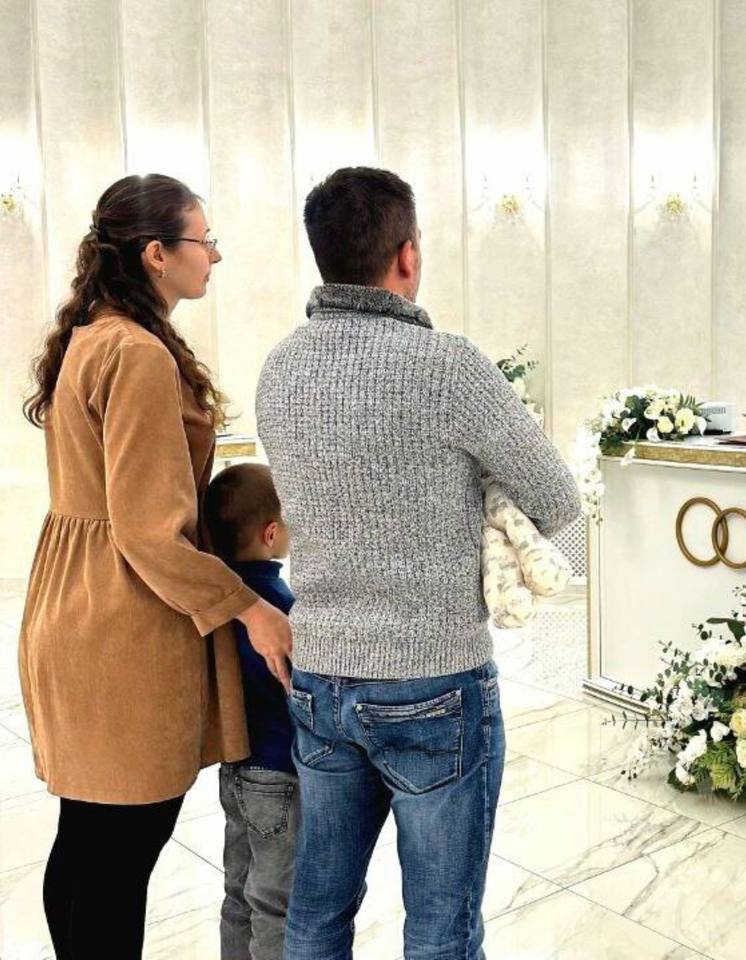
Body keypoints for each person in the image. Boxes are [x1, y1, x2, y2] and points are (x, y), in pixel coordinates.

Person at [256, 167, 580, 960]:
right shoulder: (447, 366)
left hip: (321, 675)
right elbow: (556, 497)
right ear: (407, 255)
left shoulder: (280, 368)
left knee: (317, 913)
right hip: (433, 679)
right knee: (440, 926)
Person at [17, 174, 292, 960]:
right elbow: (147, 533)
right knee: (119, 853)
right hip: (122, 627)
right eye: (204, 240)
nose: (215, 256)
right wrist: (252, 606)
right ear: (156, 254)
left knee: (88, 838)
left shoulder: (95, 335)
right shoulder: (136, 354)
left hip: (73, 606)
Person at [204, 463, 298, 960]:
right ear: (271, 533)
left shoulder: (217, 601)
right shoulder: (277, 608)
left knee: (239, 891)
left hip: (235, 768)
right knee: (277, 903)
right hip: (279, 773)